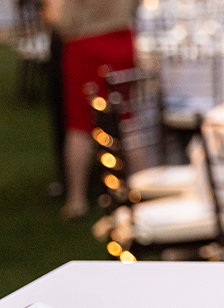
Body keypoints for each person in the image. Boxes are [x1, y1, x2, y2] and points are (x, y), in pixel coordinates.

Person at [44, 0, 139, 219]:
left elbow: (59, 16)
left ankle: (77, 199)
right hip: (122, 39)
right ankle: (138, 189)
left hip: (85, 42)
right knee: (126, 119)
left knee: (80, 125)